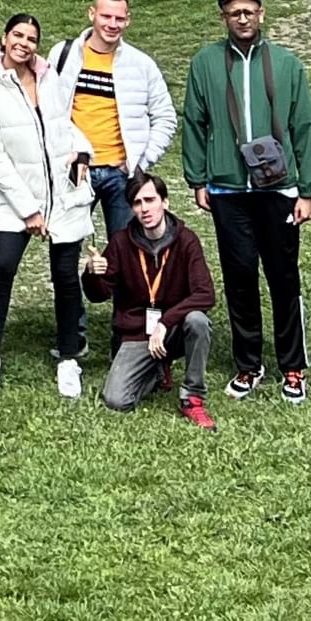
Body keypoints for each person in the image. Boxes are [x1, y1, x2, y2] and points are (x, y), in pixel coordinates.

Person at [178, 0, 311, 403]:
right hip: (227, 190)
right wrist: (198, 180)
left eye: (248, 11)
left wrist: (307, 190)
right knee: (239, 277)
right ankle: (248, 364)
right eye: (234, 13)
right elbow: (194, 122)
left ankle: (292, 366)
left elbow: (304, 127)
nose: (242, 18)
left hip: (279, 190)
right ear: (223, 18)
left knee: (283, 277)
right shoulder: (205, 63)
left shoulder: (286, 64)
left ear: (262, 14)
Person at [0, 10, 95, 398]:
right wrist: (28, 209)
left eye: (31, 39)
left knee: (66, 276)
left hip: (62, 194)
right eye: (18, 36)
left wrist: (82, 151)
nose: (24, 44)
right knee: (2, 267)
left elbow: (61, 124)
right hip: (16, 198)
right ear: (5, 37)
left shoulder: (48, 77)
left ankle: (68, 358)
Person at [42, 0, 177, 249]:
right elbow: (46, 107)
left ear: (128, 20)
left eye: (119, 18)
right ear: (92, 14)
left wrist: (140, 161)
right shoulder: (63, 54)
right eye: (106, 16)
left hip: (120, 175)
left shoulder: (141, 64)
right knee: (64, 250)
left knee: (127, 253)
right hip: (75, 170)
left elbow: (166, 117)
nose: (112, 24)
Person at [83, 171, 218, 428]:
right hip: (137, 333)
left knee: (198, 321)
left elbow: (205, 293)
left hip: (173, 328)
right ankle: (156, 370)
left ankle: (192, 397)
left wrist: (165, 323)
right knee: (116, 400)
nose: (144, 208)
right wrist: (92, 274)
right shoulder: (121, 242)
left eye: (150, 200)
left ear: (164, 202)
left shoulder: (186, 240)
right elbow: (97, 295)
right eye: (137, 203)